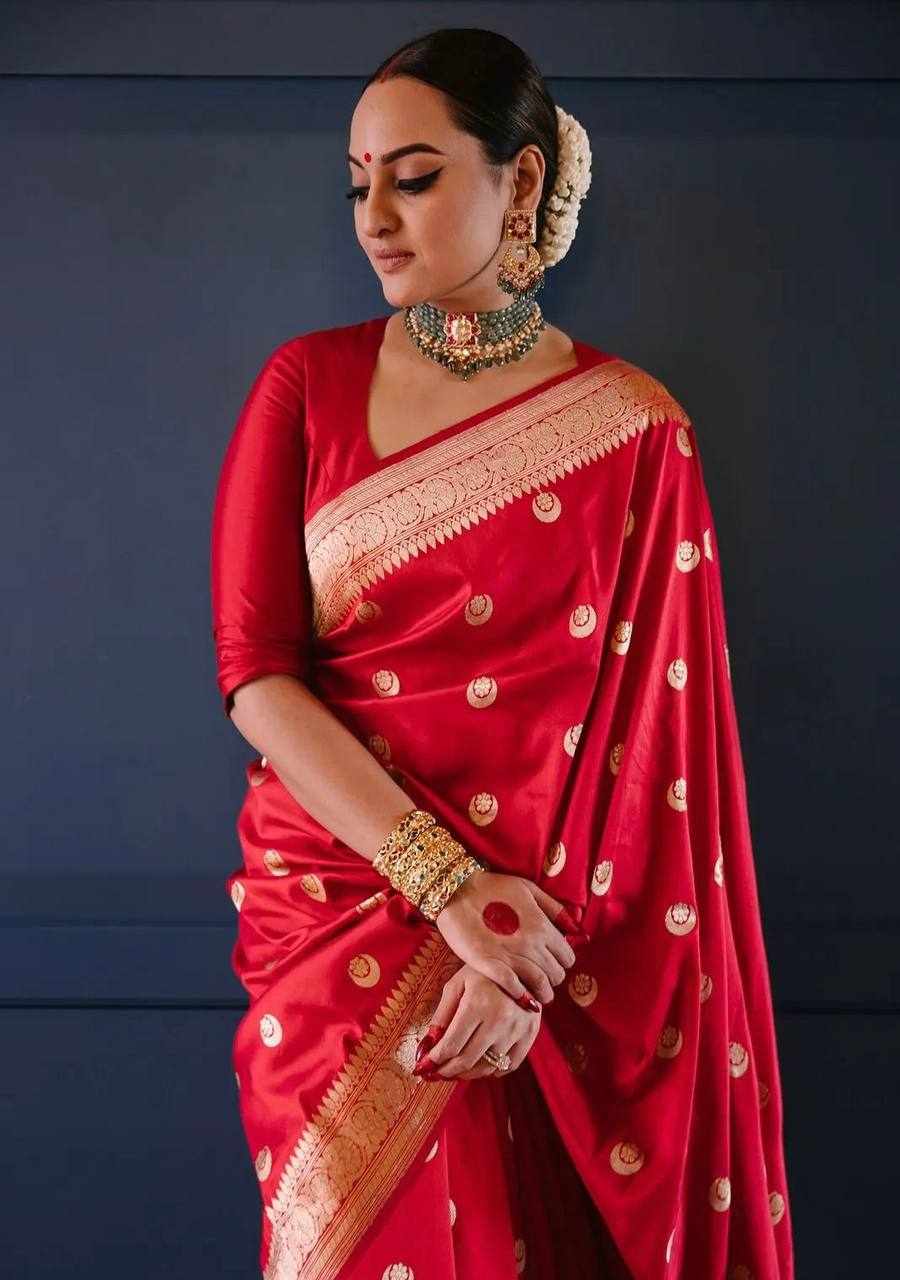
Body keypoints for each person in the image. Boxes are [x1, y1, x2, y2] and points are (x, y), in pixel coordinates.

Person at [209, 27, 795, 1280]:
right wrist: (454, 896)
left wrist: (519, 963)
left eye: (414, 178)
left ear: (520, 180)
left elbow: (653, 760)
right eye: (357, 185)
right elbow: (257, 675)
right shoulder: (305, 387)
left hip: (557, 958)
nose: (375, 218)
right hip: (339, 934)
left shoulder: (637, 432)